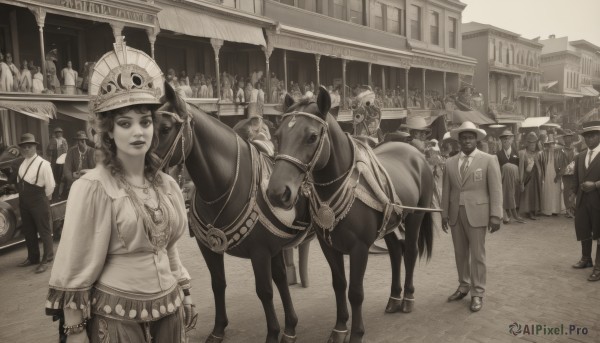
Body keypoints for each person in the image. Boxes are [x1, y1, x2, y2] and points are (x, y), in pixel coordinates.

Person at [45, 39, 197, 342]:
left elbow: (165, 245)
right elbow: (73, 265)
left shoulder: (165, 185)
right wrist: (74, 331)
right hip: (117, 321)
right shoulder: (92, 188)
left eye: (145, 121)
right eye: (125, 123)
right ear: (109, 132)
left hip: (170, 312)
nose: (138, 132)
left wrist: (185, 290)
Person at [441, 121, 502, 312]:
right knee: (460, 254)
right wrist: (444, 214)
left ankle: (478, 293)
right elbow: (446, 190)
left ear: (476, 139)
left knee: (477, 255)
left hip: (478, 214)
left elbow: (496, 189)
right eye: (464, 138)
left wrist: (496, 215)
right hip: (455, 214)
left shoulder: (488, 159)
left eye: (470, 137)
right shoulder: (450, 162)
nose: (467, 141)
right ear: (458, 140)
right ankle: (463, 285)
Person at [12, 133, 56, 273]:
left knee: (44, 231)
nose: (26, 150)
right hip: (24, 201)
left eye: (29, 147)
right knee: (29, 231)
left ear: (35, 147)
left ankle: (47, 258)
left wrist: (44, 201)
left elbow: (51, 186)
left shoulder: (44, 164)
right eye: (23, 147)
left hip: (38, 200)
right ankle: (33, 257)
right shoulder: (22, 163)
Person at [571, 121, 600, 281]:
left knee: (599, 231)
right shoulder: (580, 155)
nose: (589, 139)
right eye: (586, 136)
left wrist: (595, 185)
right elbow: (576, 178)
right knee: (583, 228)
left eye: (593, 136)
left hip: (598, 200)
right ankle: (586, 258)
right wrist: (573, 195)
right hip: (583, 200)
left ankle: (599, 266)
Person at [496, 129, 524, 224]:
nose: (506, 141)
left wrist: (521, 180)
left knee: (509, 170)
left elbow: (520, 167)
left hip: (515, 179)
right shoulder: (498, 155)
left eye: (508, 139)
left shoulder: (517, 153)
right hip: (504, 179)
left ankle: (507, 212)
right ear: (501, 141)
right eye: (504, 139)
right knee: (506, 171)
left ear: (512, 140)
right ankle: (511, 212)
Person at [63, 131, 96, 195]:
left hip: (90, 182)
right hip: (75, 182)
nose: (81, 142)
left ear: (85, 140)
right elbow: (67, 169)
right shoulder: (71, 151)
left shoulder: (92, 151)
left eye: (83, 140)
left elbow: (96, 169)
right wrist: (73, 179)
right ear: (76, 141)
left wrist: (87, 174)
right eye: (79, 140)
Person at [518, 132, 542, 220]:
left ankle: (533, 211)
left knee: (534, 195)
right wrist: (521, 180)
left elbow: (539, 167)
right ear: (527, 144)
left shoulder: (537, 154)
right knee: (527, 194)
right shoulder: (522, 153)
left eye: (534, 144)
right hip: (527, 177)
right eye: (531, 144)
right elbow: (521, 167)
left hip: (535, 178)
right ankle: (527, 211)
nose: (533, 146)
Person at [540, 139, 566, 216]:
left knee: (556, 191)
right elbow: (542, 164)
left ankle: (555, 210)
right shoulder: (544, 153)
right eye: (549, 144)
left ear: (555, 144)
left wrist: (558, 175)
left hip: (556, 173)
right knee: (548, 190)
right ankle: (547, 210)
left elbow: (562, 166)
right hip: (547, 174)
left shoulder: (560, 153)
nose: (551, 146)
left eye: (552, 144)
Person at [559, 129, 579, 218]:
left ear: (572, 138)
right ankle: (568, 209)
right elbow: (559, 161)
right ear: (564, 139)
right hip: (565, 173)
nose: (568, 139)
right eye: (566, 137)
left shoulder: (575, 149)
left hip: (574, 173)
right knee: (566, 191)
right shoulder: (561, 150)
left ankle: (573, 208)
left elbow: (577, 159)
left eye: (569, 137)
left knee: (573, 190)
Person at [47, 127, 69, 200]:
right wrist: (50, 162)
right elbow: (49, 152)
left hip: (62, 161)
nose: (58, 133)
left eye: (59, 132)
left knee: (62, 177)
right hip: (54, 161)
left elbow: (66, 151)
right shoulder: (52, 140)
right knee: (54, 177)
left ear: (61, 133)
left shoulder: (64, 140)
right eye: (57, 132)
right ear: (55, 133)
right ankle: (55, 195)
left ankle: (61, 194)